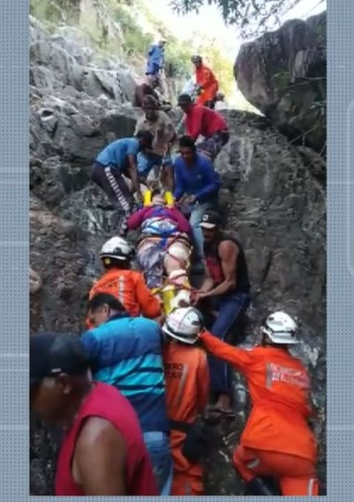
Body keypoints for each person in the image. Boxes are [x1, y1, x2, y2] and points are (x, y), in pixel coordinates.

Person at [197, 312, 319, 496]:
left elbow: (224, 351)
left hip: (264, 445)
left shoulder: (258, 357)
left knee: (240, 459)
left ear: (265, 335)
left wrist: (203, 334)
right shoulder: (300, 371)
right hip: (302, 456)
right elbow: (308, 410)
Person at [29, 332, 159, 496]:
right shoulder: (105, 393)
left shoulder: (96, 438)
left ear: (63, 383)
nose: (30, 402)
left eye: (32, 392)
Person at [81, 294, 174, 496]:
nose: (92, 325)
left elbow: (77, 373)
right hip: (155, 436)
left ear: (104, 310)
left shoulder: (94, 338)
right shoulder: (151, 328)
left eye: (92, 319)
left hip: (115, 439)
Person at [192, 209, 251, 419]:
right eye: (203, 229)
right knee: (193, 309)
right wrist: (201, 293)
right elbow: (209, 276)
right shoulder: (207, 245)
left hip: (235, 296)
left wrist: (207, 293)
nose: (206, 233)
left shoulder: (226, 245)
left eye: (209, 229)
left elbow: (230, 281)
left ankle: (224, 398)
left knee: (217, 338)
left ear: (218, 228)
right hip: (218, 294)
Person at [160, 307, 211, 496]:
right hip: (183, 433)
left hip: (155, 430)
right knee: (187, 478)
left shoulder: (159, 351)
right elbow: (202, 395)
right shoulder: (199, 358)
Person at [172, 136, 221, 274]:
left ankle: (204, 258)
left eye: (188, 153)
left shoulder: (204, 163)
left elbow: (215, 184)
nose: (186, 156)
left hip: (206, 199)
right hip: (190, 199)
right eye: (183, 154)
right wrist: (175, 198)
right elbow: (181, 185)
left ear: (194, 151)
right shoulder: (179, 163)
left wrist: (198, 195)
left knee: (194, 222)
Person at [126, 189, 193, 290]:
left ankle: (180, 293)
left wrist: (173, 209)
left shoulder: (172, 210)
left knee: (176, 267)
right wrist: (146, 207)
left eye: (162, 198)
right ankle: (155, 294)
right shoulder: (145, 211)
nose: (159, 199)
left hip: (174, 238)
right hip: (150, 238)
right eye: (157, 197)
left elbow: (186, 228)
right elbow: (131, 224)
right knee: (152, 273)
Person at [89, 236, 162, 327]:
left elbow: (90, 322)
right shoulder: (133, 277)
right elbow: (153, 310)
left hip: (101, 334)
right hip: (129, 328)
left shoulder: (95, 288)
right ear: (127, 261)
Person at [91, 130, 154, 220]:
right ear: (142, 140)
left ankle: (119, 221)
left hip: (101, 170)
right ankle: (126, 225)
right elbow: (133, 167)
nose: (141, 150)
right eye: (144, 146)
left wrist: (143, 181)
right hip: (106, 168)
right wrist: (139, 192)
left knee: (123, 198)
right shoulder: (134, 143)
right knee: (126, 203)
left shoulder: (125, 145)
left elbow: (127, 171)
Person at [134, 97, 178, 192]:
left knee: (168, 172)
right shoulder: (141, 123)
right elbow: (137, 140)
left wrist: (167, 140)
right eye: (148, 108)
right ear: (144, 109)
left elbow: (172, 132)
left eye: (153, 108)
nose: (151, 111)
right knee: (140, 174)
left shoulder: (162, 116)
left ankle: (172, 197)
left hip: (163, 150)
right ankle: (143, 197)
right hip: (148, 153)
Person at [177, 94, 230, 161]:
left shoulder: (197, 109)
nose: (183, 108)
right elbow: (189, 135)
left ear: (191, 103)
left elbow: (196, 131)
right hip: (210, 136)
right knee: (195, 153)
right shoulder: (187, 118)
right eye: (181, 106)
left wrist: (186, 146)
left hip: (220, 133)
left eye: (185, 105)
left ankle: (206, 169)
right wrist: (184, 145)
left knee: (203, 154)